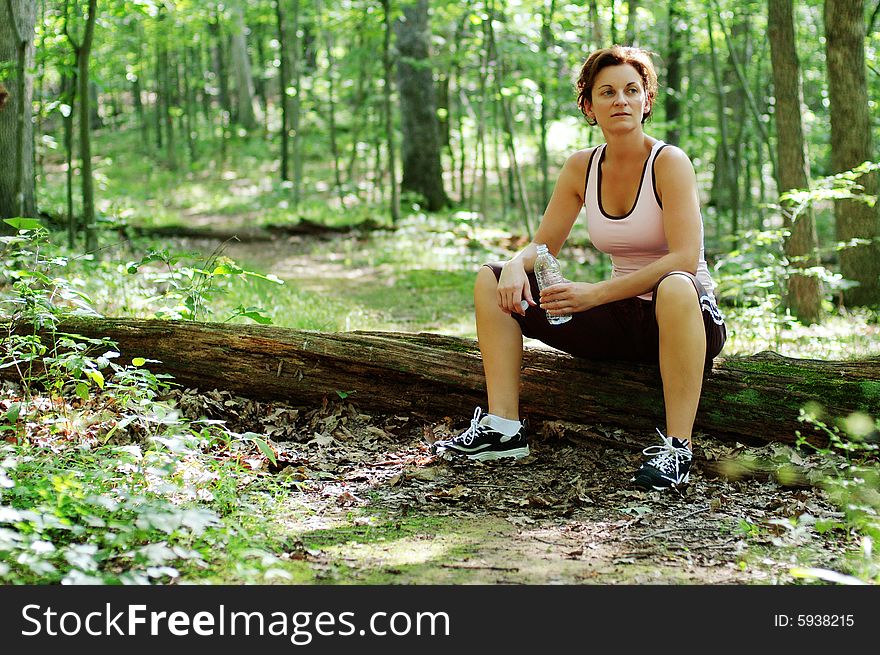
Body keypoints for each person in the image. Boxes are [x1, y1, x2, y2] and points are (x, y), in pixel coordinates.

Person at [431, 45, 727, 491]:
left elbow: (685, 259)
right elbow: (543, 244)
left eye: (631, 90)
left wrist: (595, 294)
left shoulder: (669, 162)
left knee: (676, 284)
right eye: (607, 92)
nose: (620, 100)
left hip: (684, 318)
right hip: (619, 320)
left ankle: (677, 450)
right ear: (589, 106)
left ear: (647, 100)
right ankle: (503, 427)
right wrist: (515, 263)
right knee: (490, 277)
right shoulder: (580, 167)